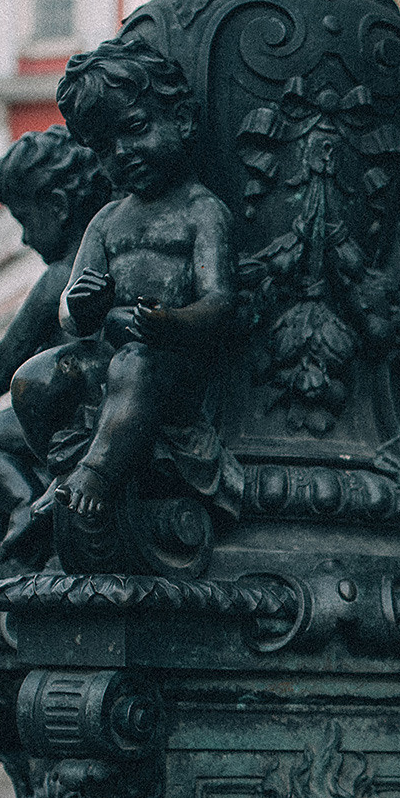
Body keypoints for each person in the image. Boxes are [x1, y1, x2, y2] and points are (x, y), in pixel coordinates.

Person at [45, 37, 238, 519]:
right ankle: (63, 468)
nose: (123, 151)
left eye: (135, 128)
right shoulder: (107, 220)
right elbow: (70, 311)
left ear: (183, 120)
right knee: (35, 379)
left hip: (170, 365)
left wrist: (172, 323)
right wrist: (84, 308)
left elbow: (220, 300)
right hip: (111, 354)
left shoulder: (202, 212)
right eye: (105, 146)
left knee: (136, 364)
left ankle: (97, 474)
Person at [0, 126, 111, 560]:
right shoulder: (109, 256)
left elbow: (6, 357)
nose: (24, 239)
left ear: (59, 207)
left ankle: (27, 504)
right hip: (105, 403)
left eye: (25, 220)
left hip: (68, 415)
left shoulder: (59, 276)